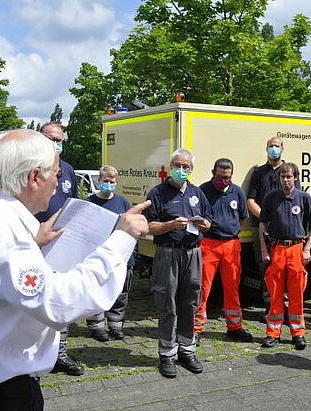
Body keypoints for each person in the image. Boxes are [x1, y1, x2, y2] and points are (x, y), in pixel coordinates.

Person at [0, 129, 149, 411]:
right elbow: (60, 303)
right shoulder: (1, 230)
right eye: (55, 174)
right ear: (34, 178)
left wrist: (34, 242)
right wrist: (121, 238)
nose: (58, 184)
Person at [145, 148, 212, 378]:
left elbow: (209, 221)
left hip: (193, 253)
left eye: (186, 167)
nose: (181, 170)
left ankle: (187, 350)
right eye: (177, 165)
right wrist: (170, 225)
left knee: (190, 302)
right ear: (170, 166)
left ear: (191, 170)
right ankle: (166, 354)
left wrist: (205, 225)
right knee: (167, 304)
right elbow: (148, 227)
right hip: (168, 254)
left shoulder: (197, 193)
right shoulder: (157, 193)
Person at [35, 122, 83, 376]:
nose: (55, 142)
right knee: (35, 299)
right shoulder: (29, 166)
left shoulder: (68, 170)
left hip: (61, 245)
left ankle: (59, 354)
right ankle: (36, 354)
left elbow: (72, 204)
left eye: (59, 139)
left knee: (61, 299)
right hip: (33, 243)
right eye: (50, 138)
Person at [259, 162, 311, 350]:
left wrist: (307, 248)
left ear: (296, 177)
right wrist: (264, 249)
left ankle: (298, 333)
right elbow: (262, 224)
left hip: (296, 249)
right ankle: (273, 333)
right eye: (283, 177)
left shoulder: (304, 198)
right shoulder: (270, 198)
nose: (286, 180)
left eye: (289, 177)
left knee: (296, 293)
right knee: (275, 292)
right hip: (276, 248)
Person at [194, 158, 253, 343]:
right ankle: (195, 328)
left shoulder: (237, 192)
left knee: (232, 287)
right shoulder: (203, 191)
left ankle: (234, 327)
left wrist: (230, 231)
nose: (223, 181)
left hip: (231, 245)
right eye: (220, 177)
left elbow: (242, 218)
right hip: (208, 244)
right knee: (202, 287)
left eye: (227, 177)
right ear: (213, 173)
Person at [247, 136, 298, 319]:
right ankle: (269, 306)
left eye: (277, 146)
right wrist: (265, 218)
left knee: (284, 268)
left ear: (283, 148)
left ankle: (283, 307)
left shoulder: (290, 172)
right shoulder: (258, 173)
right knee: (265, 267)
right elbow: (250, 201)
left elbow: (295, 199)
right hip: (261, 226)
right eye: (271, 146)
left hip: (284, 230)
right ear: (266, 149)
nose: (274, 149)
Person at [85, 165, 135, 342]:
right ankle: (96, 325)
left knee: (120, 293)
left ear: (116, 182)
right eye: (105, 181)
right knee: (97, 290)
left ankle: (115, 324)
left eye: (112, 182)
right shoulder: (89, 202)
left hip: (121, 256)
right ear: (99, 181)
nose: (108, 184)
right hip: (97, 256)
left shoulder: (123, 203)